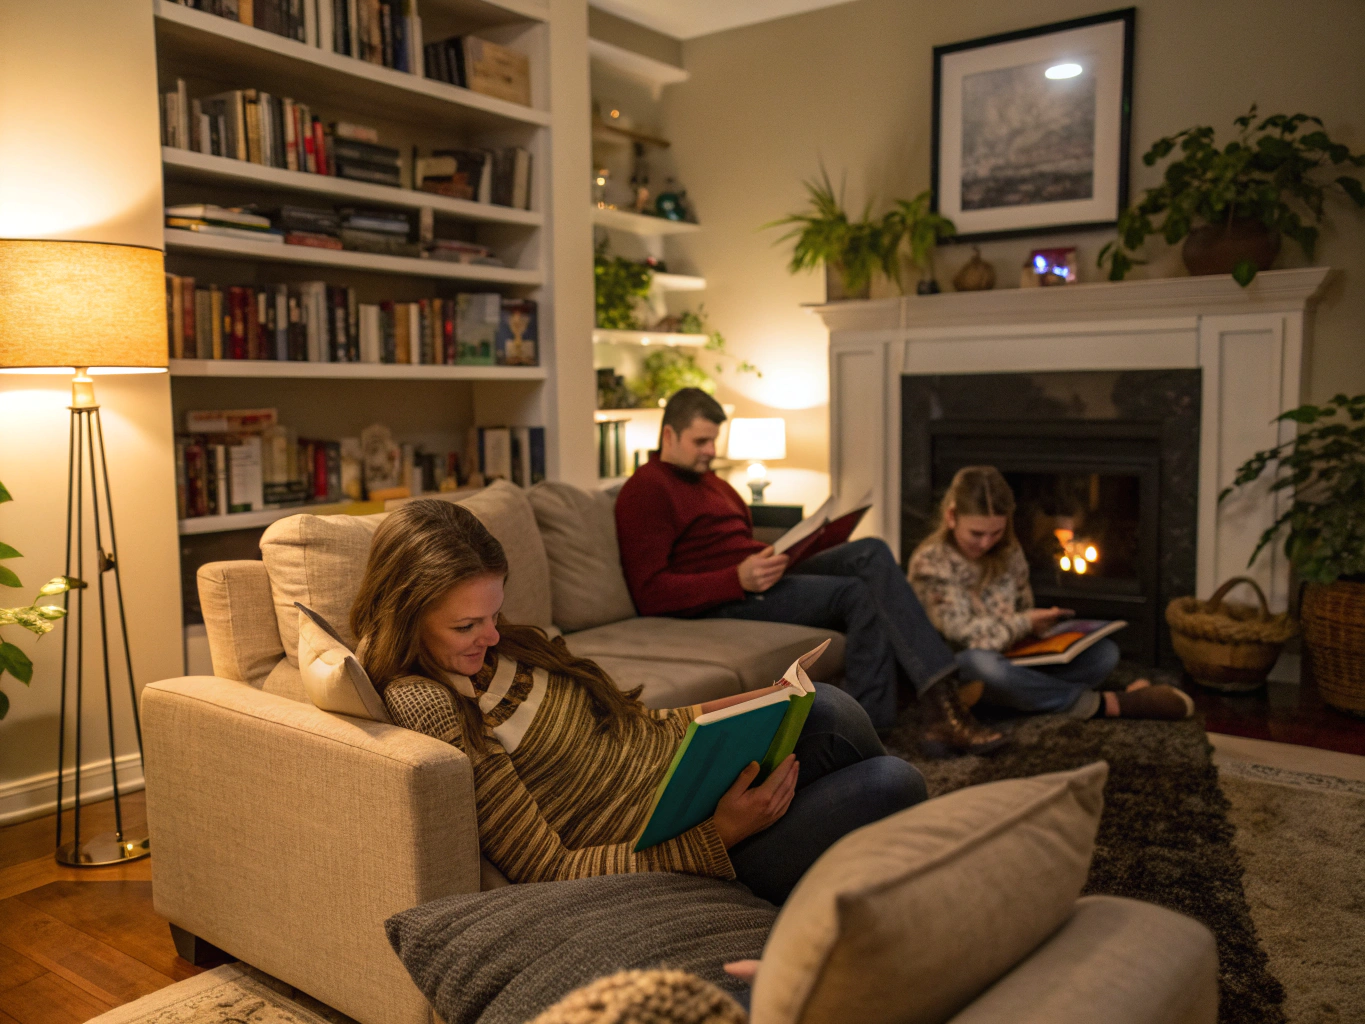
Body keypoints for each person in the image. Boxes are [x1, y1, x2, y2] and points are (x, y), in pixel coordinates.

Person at [351, 498, 927, 905]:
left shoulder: (507, 649)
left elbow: (633, 727)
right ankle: (883, 894)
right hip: (680, 852)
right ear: (406, 613)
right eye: (466, 624)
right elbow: (549, 869)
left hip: (689, 777)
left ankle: (877, 891)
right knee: (890, 783)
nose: (493, 635)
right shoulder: (431, 703)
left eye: (495, 614)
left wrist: (753, 703)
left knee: (828, 706)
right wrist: (722, 832)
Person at [613, 387, 1003, 756]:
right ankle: (893, 722)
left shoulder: (715, 485)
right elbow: (650, 592)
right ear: (668, 434)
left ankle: (933, 702)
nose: (711, 452)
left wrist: (816, 540)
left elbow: (743, 546)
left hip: (756, 577)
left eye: (715, 440)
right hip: (725, 598)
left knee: (870, 551)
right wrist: (737, 579)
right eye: (701, 442)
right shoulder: (646, 489)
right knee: (857, 594)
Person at [907, 466, 1194, 721]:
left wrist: (1044, 628)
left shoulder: (1008, 550)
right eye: (976, 533)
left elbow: (1023, 606)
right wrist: (1024, 623)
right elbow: (967, 637)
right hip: (964, 666)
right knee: (983, 666)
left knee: (1104, 654)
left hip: (1015, 656)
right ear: (952, 517)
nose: (986, 543)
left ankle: (1026, 697)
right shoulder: (931, 563)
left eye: (995, 532)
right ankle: (1101, 703)